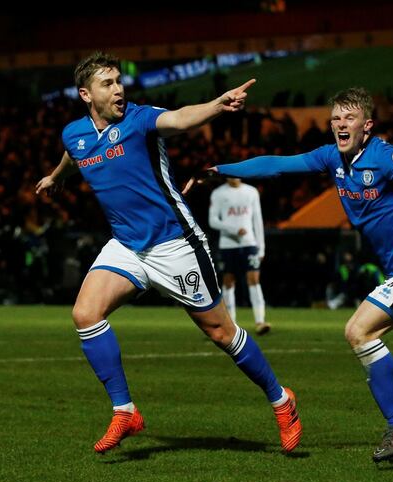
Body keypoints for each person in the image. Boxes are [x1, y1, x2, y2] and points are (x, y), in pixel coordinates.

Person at [185, 87, 393, 461]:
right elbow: (277, 164)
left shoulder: (384, 155)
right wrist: (220, 170)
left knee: (358, 331)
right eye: (335, 118)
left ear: (367, 125)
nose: (340, 124)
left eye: (348, 118)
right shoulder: (331, 158)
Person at [35, 52, 301, 454]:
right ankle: (125, 411)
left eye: (119, 81)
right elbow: (75, 155)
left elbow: (178, 118)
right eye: (108, 83)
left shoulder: (141, 120)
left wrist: (216, 106)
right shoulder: (74, 133)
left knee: (221, 333)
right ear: (86, 94)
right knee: (85, 314)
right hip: (126, 245)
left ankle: (282, 401)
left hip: (174, 242)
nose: (119, 89)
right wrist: (56, 177)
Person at [208, 177, 271, 335]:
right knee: (229, 282)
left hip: (249, 243)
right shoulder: (218, 193)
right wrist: (233, 229)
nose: (234, 177)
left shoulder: (251, 191)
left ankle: (260, 321)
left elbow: (257, 220)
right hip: (228, 244)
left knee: (254, 279)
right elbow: (213, 220)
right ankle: (230, 324)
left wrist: (261, 248)